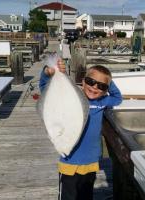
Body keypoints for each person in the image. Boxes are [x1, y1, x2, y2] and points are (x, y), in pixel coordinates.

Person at [39, 60, 122, 200]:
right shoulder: (72, 95)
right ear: (83, 82)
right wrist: (49, 72)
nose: (94, 87)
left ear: (105, 90)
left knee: (86, 195)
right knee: (68, 196)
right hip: (69, 162)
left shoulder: (102, 102)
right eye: (90, 81)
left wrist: (107, 81)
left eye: (100, 85)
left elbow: (117, 98)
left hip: (91, 162)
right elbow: (43, 88)